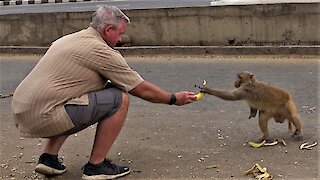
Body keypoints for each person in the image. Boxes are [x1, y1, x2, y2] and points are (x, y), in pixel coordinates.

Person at [11, 5, 196, 180]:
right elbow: (141, 89)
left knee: (72, 96)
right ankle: (96, 166)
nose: (121, 39)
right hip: (45, 116)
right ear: (108, 30)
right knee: (119, 98)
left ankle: (48, 158)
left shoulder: (71, 39)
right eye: (120, 33)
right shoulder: (101, 51)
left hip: (23, 111)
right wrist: (173, 98)